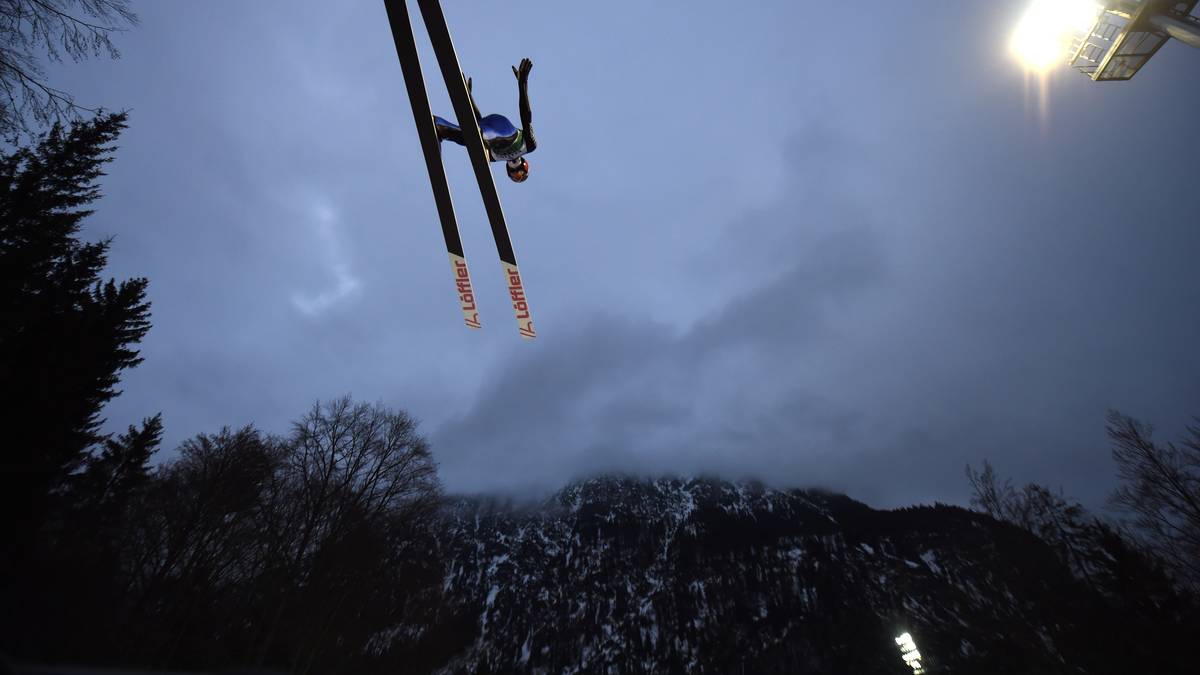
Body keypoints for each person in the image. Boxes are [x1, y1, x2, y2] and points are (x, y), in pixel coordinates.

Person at [434, 58, 536, 182]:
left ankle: (442, 129)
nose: (517, 175)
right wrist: (523, 82)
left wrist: (468, 98)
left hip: (487, 130)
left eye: (515, 177)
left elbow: (476, 125)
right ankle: (442, 128)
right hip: (504, 129)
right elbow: (526, 117)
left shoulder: (494, 157)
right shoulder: (529, 146)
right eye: (520, 175)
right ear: (524, 166)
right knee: (485, 139)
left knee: (469, 138)